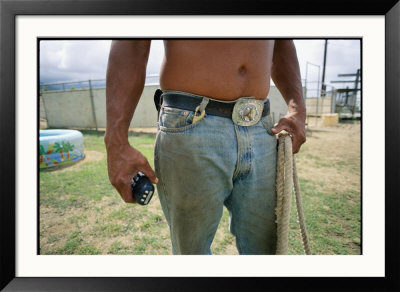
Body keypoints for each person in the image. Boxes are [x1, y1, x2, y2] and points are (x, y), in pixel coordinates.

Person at [104, 40, 306, 255]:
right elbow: (132, 39)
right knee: (192, 254)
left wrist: (298, 108)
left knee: (266, 252)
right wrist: (115, 142)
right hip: (190, 124)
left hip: (261, 128)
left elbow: (282, 41)